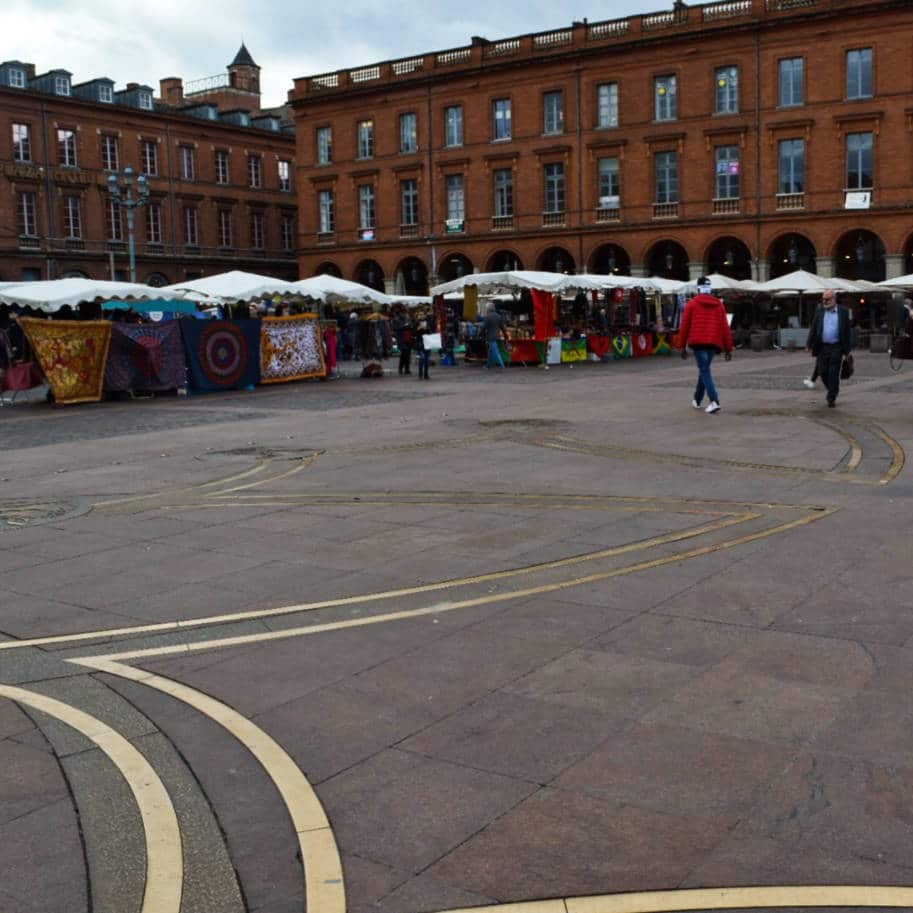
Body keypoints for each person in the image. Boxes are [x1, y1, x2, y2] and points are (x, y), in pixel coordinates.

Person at [678, 276, 733, 414]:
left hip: (698, 342)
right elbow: (725, 327)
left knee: (705, 371)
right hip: (713, 343)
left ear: (698, 288)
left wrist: (682, 346)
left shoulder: (692, 304)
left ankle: (715, 401)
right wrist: (728, 348)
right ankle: (697, 399)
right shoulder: (719, 305)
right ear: (710, 288)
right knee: (704, 369)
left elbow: (684, 326)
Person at [805, 289, 852, 408]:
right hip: (822, 347)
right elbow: (814, 329)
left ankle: (831, 397)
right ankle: (832, 389)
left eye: (827, 299)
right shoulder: (819, 312)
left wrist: (847, 351)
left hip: (837, 347)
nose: (825, 301)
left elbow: (847, 332)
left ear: (834, 299)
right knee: (822, 371)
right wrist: (808, 344)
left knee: (833, 373)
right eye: (823, 299)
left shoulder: (844, 312)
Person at [482, 303, 507, 369]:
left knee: (496, 352)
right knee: (491, 351)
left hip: (490, 337)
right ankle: (488, 366)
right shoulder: (498, 316)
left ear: (488, 309)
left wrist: (480, 334)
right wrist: (505, 336)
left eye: (486, 308)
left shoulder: (487, 317)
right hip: (497, 336)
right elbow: (503, 328)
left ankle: (502, 365)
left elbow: (484, 327)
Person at [392, 308, 413, 375]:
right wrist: (403, 326)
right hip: (401, 338)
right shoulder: (396, 320)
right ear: (400, 313)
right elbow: (395, 329)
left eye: (405, 313)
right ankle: (401, 368)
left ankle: (407, 369)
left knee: (408, 354)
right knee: (404, 354)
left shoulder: (408, 318)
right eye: (403, 313)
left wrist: (409, 326)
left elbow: (412, 325)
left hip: (408, 338)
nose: (404, 314)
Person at [413, 313, 431, 380]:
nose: (422, 316)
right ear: (417, 316)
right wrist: (418, 328)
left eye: (423, 314)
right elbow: (413, 333)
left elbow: (431, 332)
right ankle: (420, 374)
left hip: (427, 342)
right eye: (420, 315)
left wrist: (427, 329)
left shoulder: (428, 322)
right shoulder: (416, 323)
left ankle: (426, 374)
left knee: (426, 359)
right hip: (419, 343)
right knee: (422, 358)